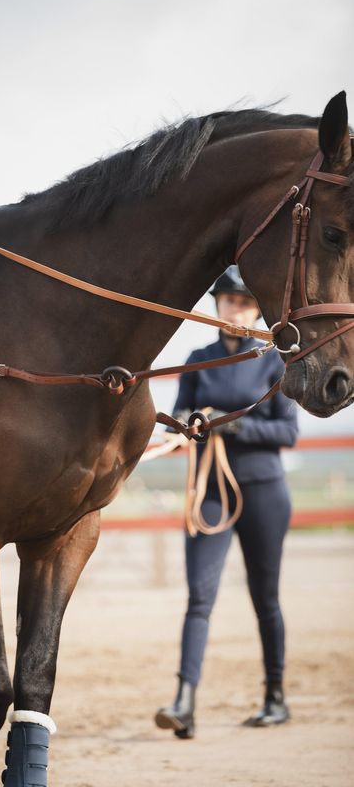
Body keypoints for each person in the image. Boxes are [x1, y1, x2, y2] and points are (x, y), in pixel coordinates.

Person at [154, 265, 298, 739]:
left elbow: (287, 432)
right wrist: (187, 424)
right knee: (199, 595)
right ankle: (184, 701)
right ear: (219, 306)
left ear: (257, 309)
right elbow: (179, 418)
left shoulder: (273, 361)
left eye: (244, 302)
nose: (235, 309)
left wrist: (236, 425)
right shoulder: (199, 358)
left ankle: (275, 695)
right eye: (229, 301)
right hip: (210, 493)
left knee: (266, 597)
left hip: (263, 491)